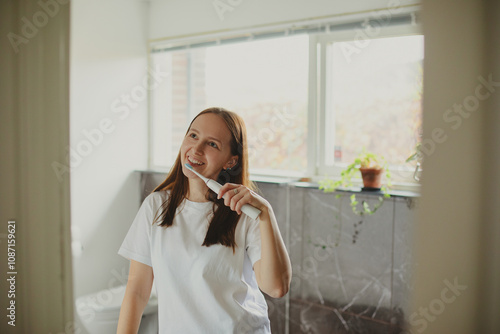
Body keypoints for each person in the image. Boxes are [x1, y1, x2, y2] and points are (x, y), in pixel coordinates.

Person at [117, 107, 292, 333]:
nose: (196, 148)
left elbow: (276, 287)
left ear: (230, 161)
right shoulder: (155, 206)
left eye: (212, 144)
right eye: (193, 135)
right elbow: (137, 290)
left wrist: (265, 214)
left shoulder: (245, 213)